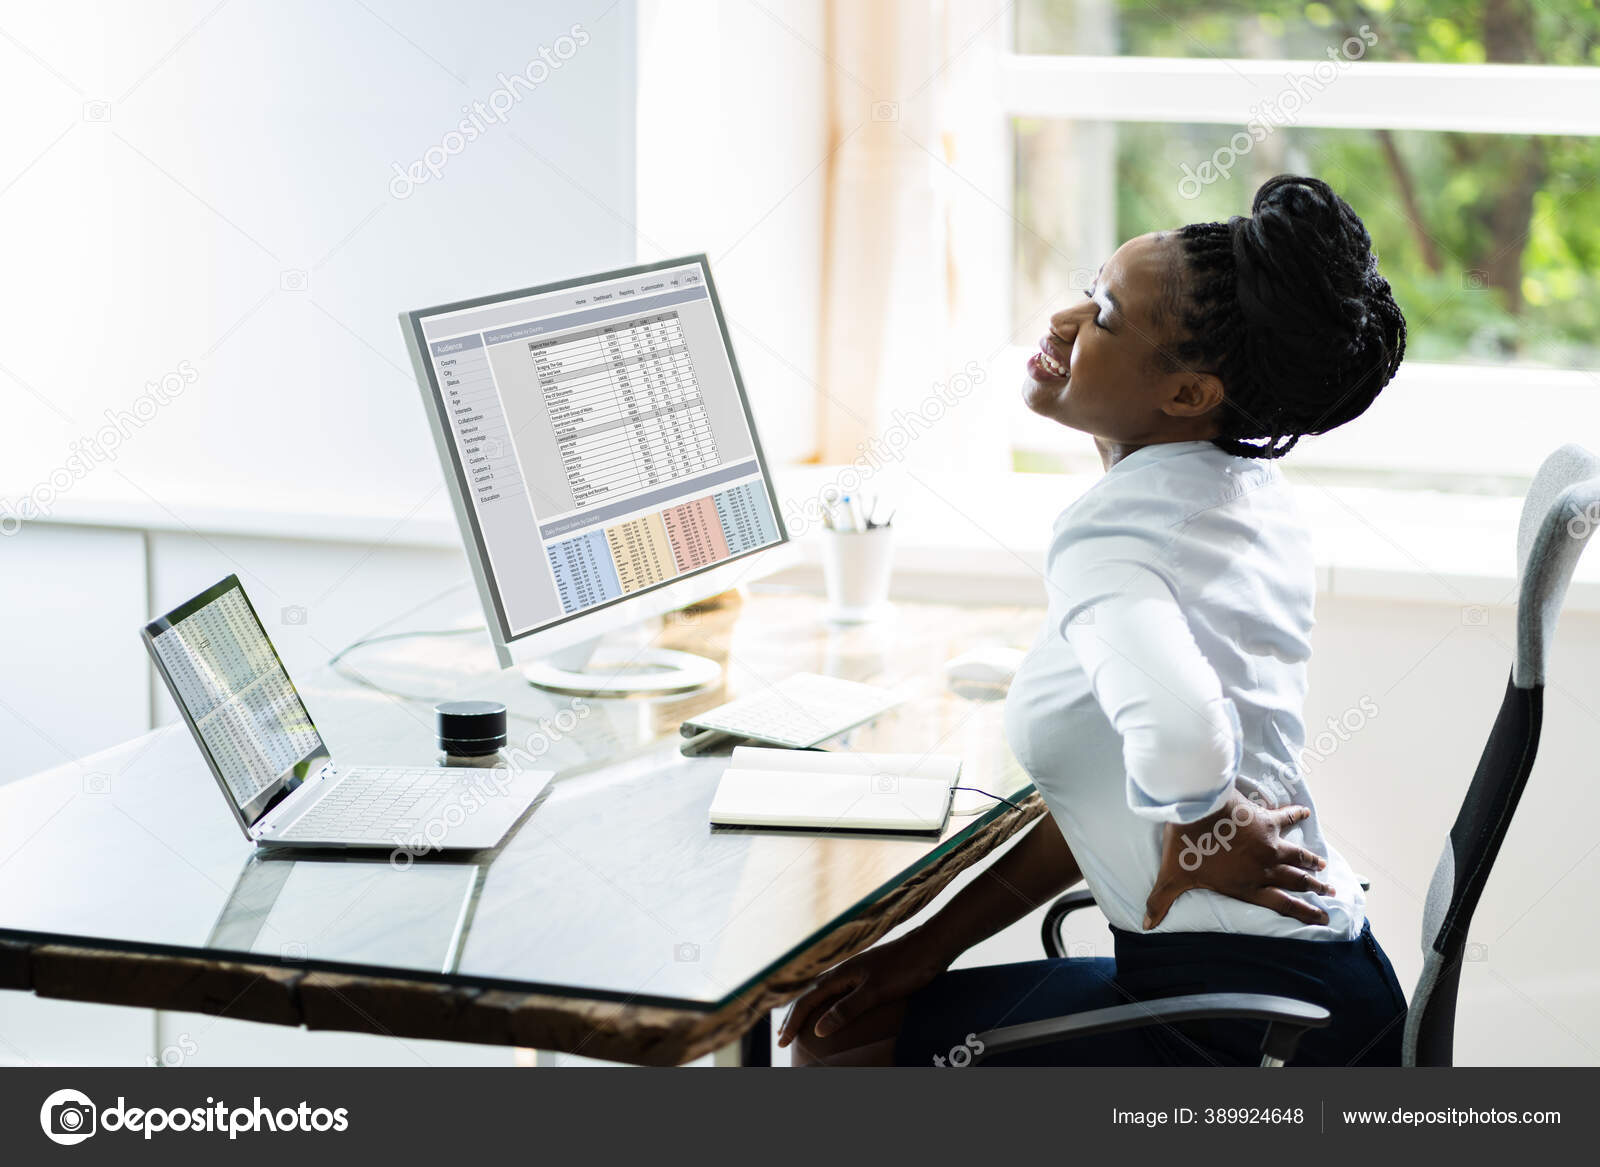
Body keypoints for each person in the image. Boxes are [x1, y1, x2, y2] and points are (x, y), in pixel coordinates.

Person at [781, 175, 1410, 1067]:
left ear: (1188, 395)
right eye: (1089, 286)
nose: (1065, 319)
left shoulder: (1110, 533)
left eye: (1106, 315)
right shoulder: (1239, 492)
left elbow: (1186, 735)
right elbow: (1108, 790)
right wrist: (928, 946)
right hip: (1320, 995)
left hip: (1243, 1023)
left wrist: (1200, 816)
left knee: (830, 1047)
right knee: (858, 1021)